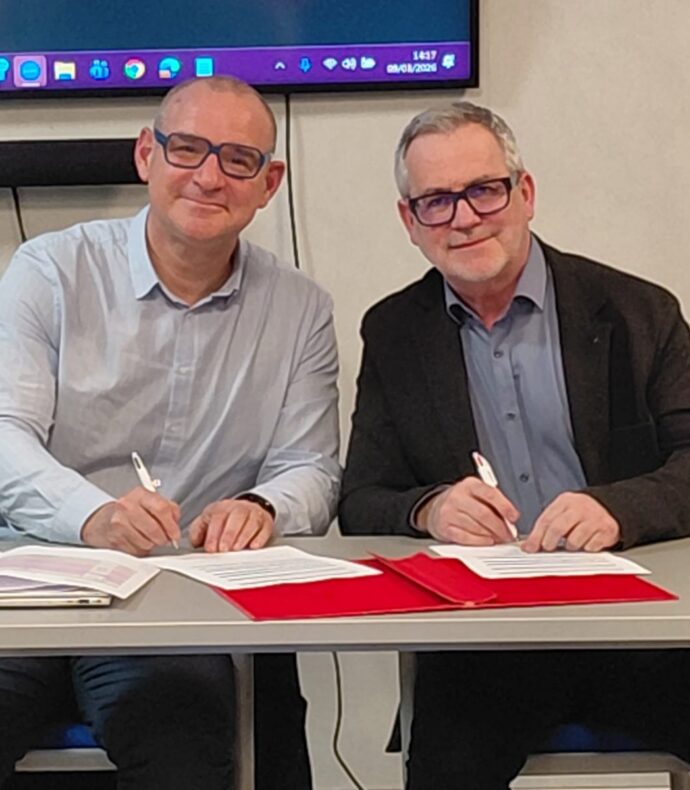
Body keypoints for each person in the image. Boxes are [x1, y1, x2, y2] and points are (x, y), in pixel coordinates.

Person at [0, 76, 340, 789]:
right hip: (35, 584)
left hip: (181, 608)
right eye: (186, 148)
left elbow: (311, 466)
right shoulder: (50, 271)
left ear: (270, 183)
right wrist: (92, 515)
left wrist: (262, 507)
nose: (209, 177)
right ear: (145, 155)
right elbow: (5, 435)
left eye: (238, 159)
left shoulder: (300, 309)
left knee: (187, 748)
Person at [339, 101, 690, 789]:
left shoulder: (637, 310)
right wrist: (429, 509)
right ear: (410, 221)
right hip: (490, 642)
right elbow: (361, 498)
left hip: (643, 626)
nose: (465, 217)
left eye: (484, 190)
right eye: (437, 201)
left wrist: (620, 508)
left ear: (524, 193)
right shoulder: (394, 331)